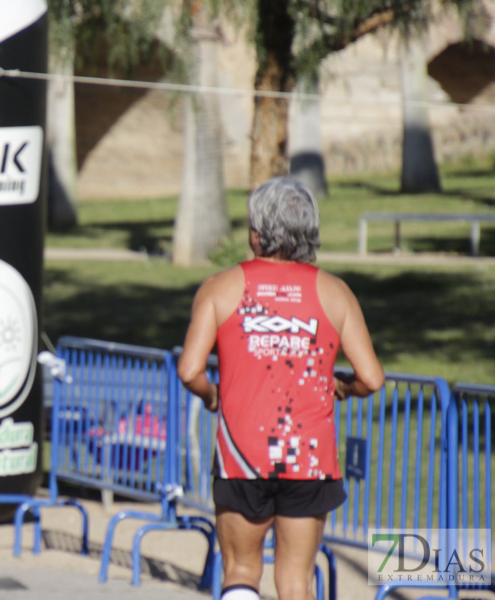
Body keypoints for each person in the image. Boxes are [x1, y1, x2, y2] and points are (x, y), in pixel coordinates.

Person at [177, 177, 384, 600]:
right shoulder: (335, 292)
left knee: (240, 570)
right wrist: (342, 390)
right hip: (308, 457)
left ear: (256, 232)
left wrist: (212, 395)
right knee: (295, 584)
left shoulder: (220, 287)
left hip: (241, 454)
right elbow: (372, 378)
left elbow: (189, 370)